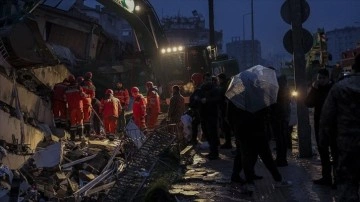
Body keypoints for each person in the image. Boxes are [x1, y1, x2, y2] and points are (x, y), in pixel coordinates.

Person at [319, 54, 360, 201]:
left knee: (347, 186)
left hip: (348, 145)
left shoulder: (340, 88)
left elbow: (326, 118)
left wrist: (323, 141)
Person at [305, 68, 334, 186]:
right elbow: (308, 103)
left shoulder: (334, 89)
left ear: (328, 78)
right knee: (323, 152)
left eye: (323, 78)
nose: (321, 81)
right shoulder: (316, 89)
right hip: (320, 125)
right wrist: (313, 89)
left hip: (333, 125)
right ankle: (326, 177)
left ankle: (337, 179)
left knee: (335, 152)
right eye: (319, 78)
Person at [199, 72, 221, 160]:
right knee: (207, 134)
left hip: (212, 114)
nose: (207, 81)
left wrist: (207, 100)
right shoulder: (202, 88)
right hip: (203, 114)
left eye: (208, 79)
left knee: (213, 134)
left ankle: (214, 153)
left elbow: (218, 99)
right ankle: (212, 151)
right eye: (205, 79)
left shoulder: (215, 89)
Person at [271, 75, 291, 167]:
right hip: (283, 117)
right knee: (282, 139)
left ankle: (281, 160)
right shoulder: (286, 90)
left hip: (279, 117)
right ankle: (282, 159)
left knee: (280, 139)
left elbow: (277, 105)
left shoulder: (279, 91)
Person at [64, 75, 87, 140]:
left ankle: (73, 137)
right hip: (79, 106)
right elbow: (82, 95)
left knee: (73, 123)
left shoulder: (66, 88)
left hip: (71, 108)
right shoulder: (78, 87)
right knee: (80, 122)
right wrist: (86, 95)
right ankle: (81, 136)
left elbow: (65, 99)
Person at [188, 72, 205, 145]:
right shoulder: (199, 87)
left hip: (199, 110)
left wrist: (192, 105)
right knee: (197, 124)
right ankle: (196, 139)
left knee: (195, 124)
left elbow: (197, 99)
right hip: (198, 110)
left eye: (193, 80)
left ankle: (195, 140)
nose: (193, 82)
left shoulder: (200, 88)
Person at [217, 73, 232, 149]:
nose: (218, 81)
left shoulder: (223, 86)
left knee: (226, 127)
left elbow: (221, 97)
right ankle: (228, 142)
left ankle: (228, 143)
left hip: (224, 109)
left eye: (219, 79)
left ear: (221, 79)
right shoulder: (227, 84)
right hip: (225, 108)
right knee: (226, 127)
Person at [81, 72, 96, 137]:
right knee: (87, 119)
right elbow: (93, 96)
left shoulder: (80, 84)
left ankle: (82, 133)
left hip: (80, 103)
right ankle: (87, 132)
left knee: (81, 118)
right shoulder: (91, 85)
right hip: (88, 103)